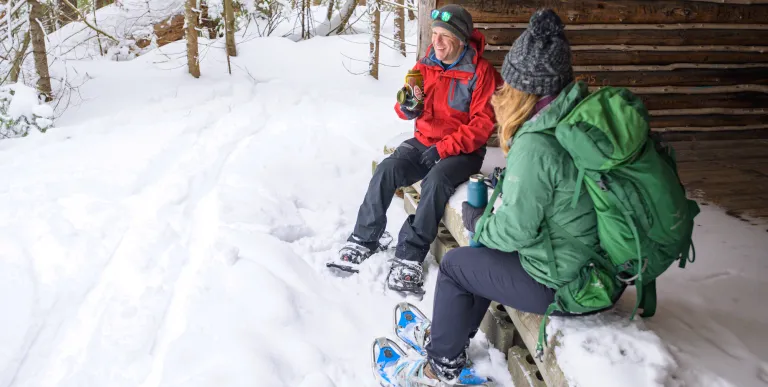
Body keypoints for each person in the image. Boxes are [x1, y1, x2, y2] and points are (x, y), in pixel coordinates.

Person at [381, 9, 625, 385]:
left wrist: (480, 220)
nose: (505, 92)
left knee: (457, 265)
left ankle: (438, 366)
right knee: (480, 257)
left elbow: (513, 232)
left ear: (528, 88)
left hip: (569, 283)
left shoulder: (538, 143)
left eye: (511, 84)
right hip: (593, 267)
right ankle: (449, 338)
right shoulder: (574, 119)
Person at [328, 4, 502, 295]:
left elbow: (481, 126)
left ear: (461, 39)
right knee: (387, 169)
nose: (437, 42)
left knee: (436, 181)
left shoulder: (480, 72)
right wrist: (408, 106)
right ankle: (364, 238)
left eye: (445, 36)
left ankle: (410, 253)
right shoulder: (425, 64)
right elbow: (404, 107)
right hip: (424, 142)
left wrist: (444, 149)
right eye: (434, 34)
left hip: (463, 152)